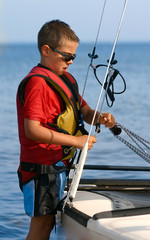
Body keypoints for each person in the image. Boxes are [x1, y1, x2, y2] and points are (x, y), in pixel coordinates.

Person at [16, 19, 116, 240]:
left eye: (74, 56)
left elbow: (84, 111)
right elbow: (32, 129)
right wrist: (77, 142)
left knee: (50, 222)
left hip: (59, 165)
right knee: (41, 227)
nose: (71, 61)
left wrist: (100, 118)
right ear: (46, 50)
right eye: (67, 56)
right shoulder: (37, 83)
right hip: (40, 170)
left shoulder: (66, 79)